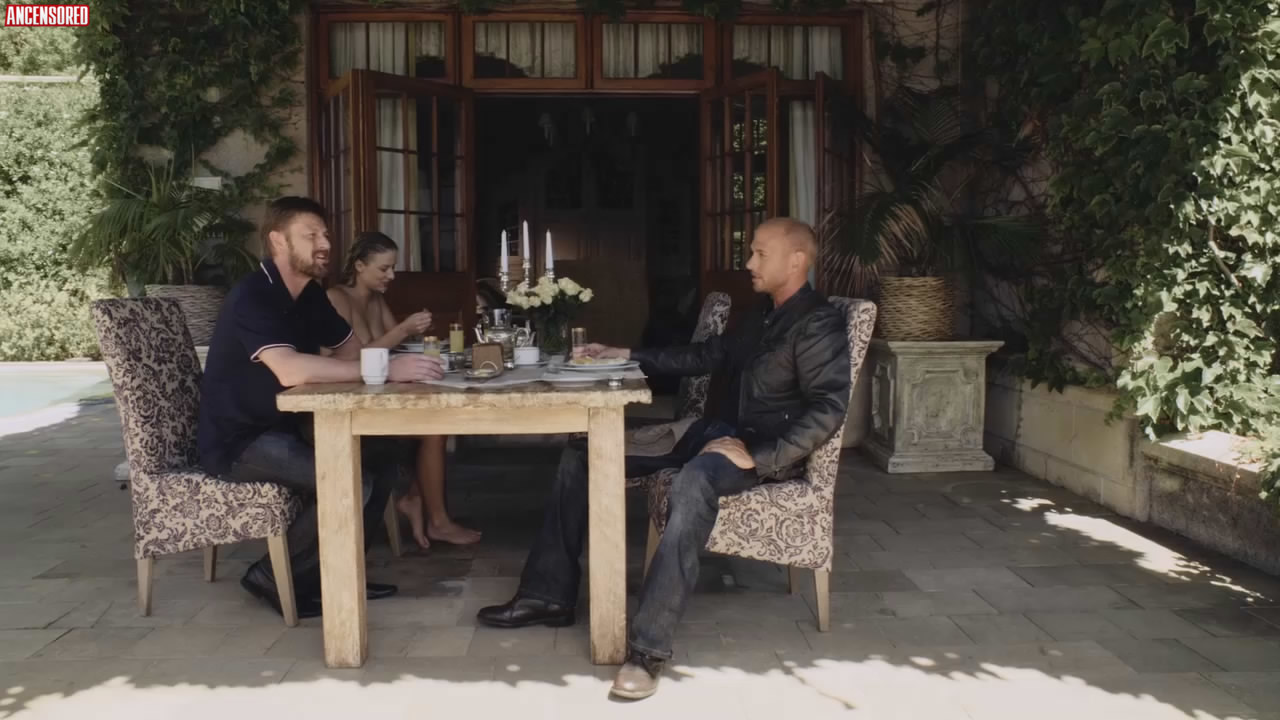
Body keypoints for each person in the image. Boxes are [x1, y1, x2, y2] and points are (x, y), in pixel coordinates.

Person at [476, 217, 851, 700]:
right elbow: (706, 356)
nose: (749, 262)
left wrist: (759, 456)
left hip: (758, 452)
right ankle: (546, 596)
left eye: (760, 253)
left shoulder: (817, 322)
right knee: (583, 455)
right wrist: (626, 354)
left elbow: (828, 408)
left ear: (796, 261)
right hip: (714, 434)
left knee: (693, 481)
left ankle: (647, 651)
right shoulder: (763, 312)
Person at [196, 197, 443, 619]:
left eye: (325, 234)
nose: (325, 243)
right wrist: (384, 369)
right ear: (278, 241)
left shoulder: (308, 294)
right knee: (351, 479)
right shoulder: (254, 294)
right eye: (311, 235)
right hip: (240, 440)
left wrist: (386, 365)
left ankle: (338, 573)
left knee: (383, 459)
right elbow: (289, 369)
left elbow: (352, 351)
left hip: (287, 426)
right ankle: (270, 576)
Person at [327, 231, 482, 548]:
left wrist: (421, 335)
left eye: (393, 268)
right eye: (384, 268)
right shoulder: (336, 298)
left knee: (438, 418)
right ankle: (436, 521)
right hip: (351, 404)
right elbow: (347, 358)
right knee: (433, 429)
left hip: (382, 395)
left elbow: (396, 346)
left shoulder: (376, 300)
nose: (392, 275)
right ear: (359, 266)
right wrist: (403, 329)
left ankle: (415, 498)